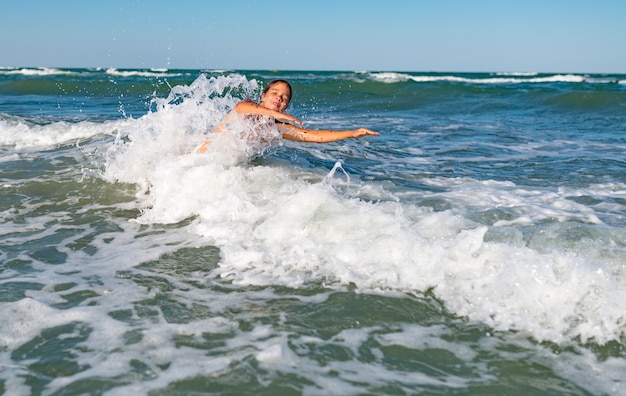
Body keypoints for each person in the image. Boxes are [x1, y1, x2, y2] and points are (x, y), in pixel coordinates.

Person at [197, 79, 378, 153]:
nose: (279, 98)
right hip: (197, 159)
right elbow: (241, 107)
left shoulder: (275, 129)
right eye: (275, 93)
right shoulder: (245, 109)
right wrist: (275, 114)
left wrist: (353, 133)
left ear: (285, 107)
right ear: (263, 96)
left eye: (284, 98)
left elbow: (313, 136)